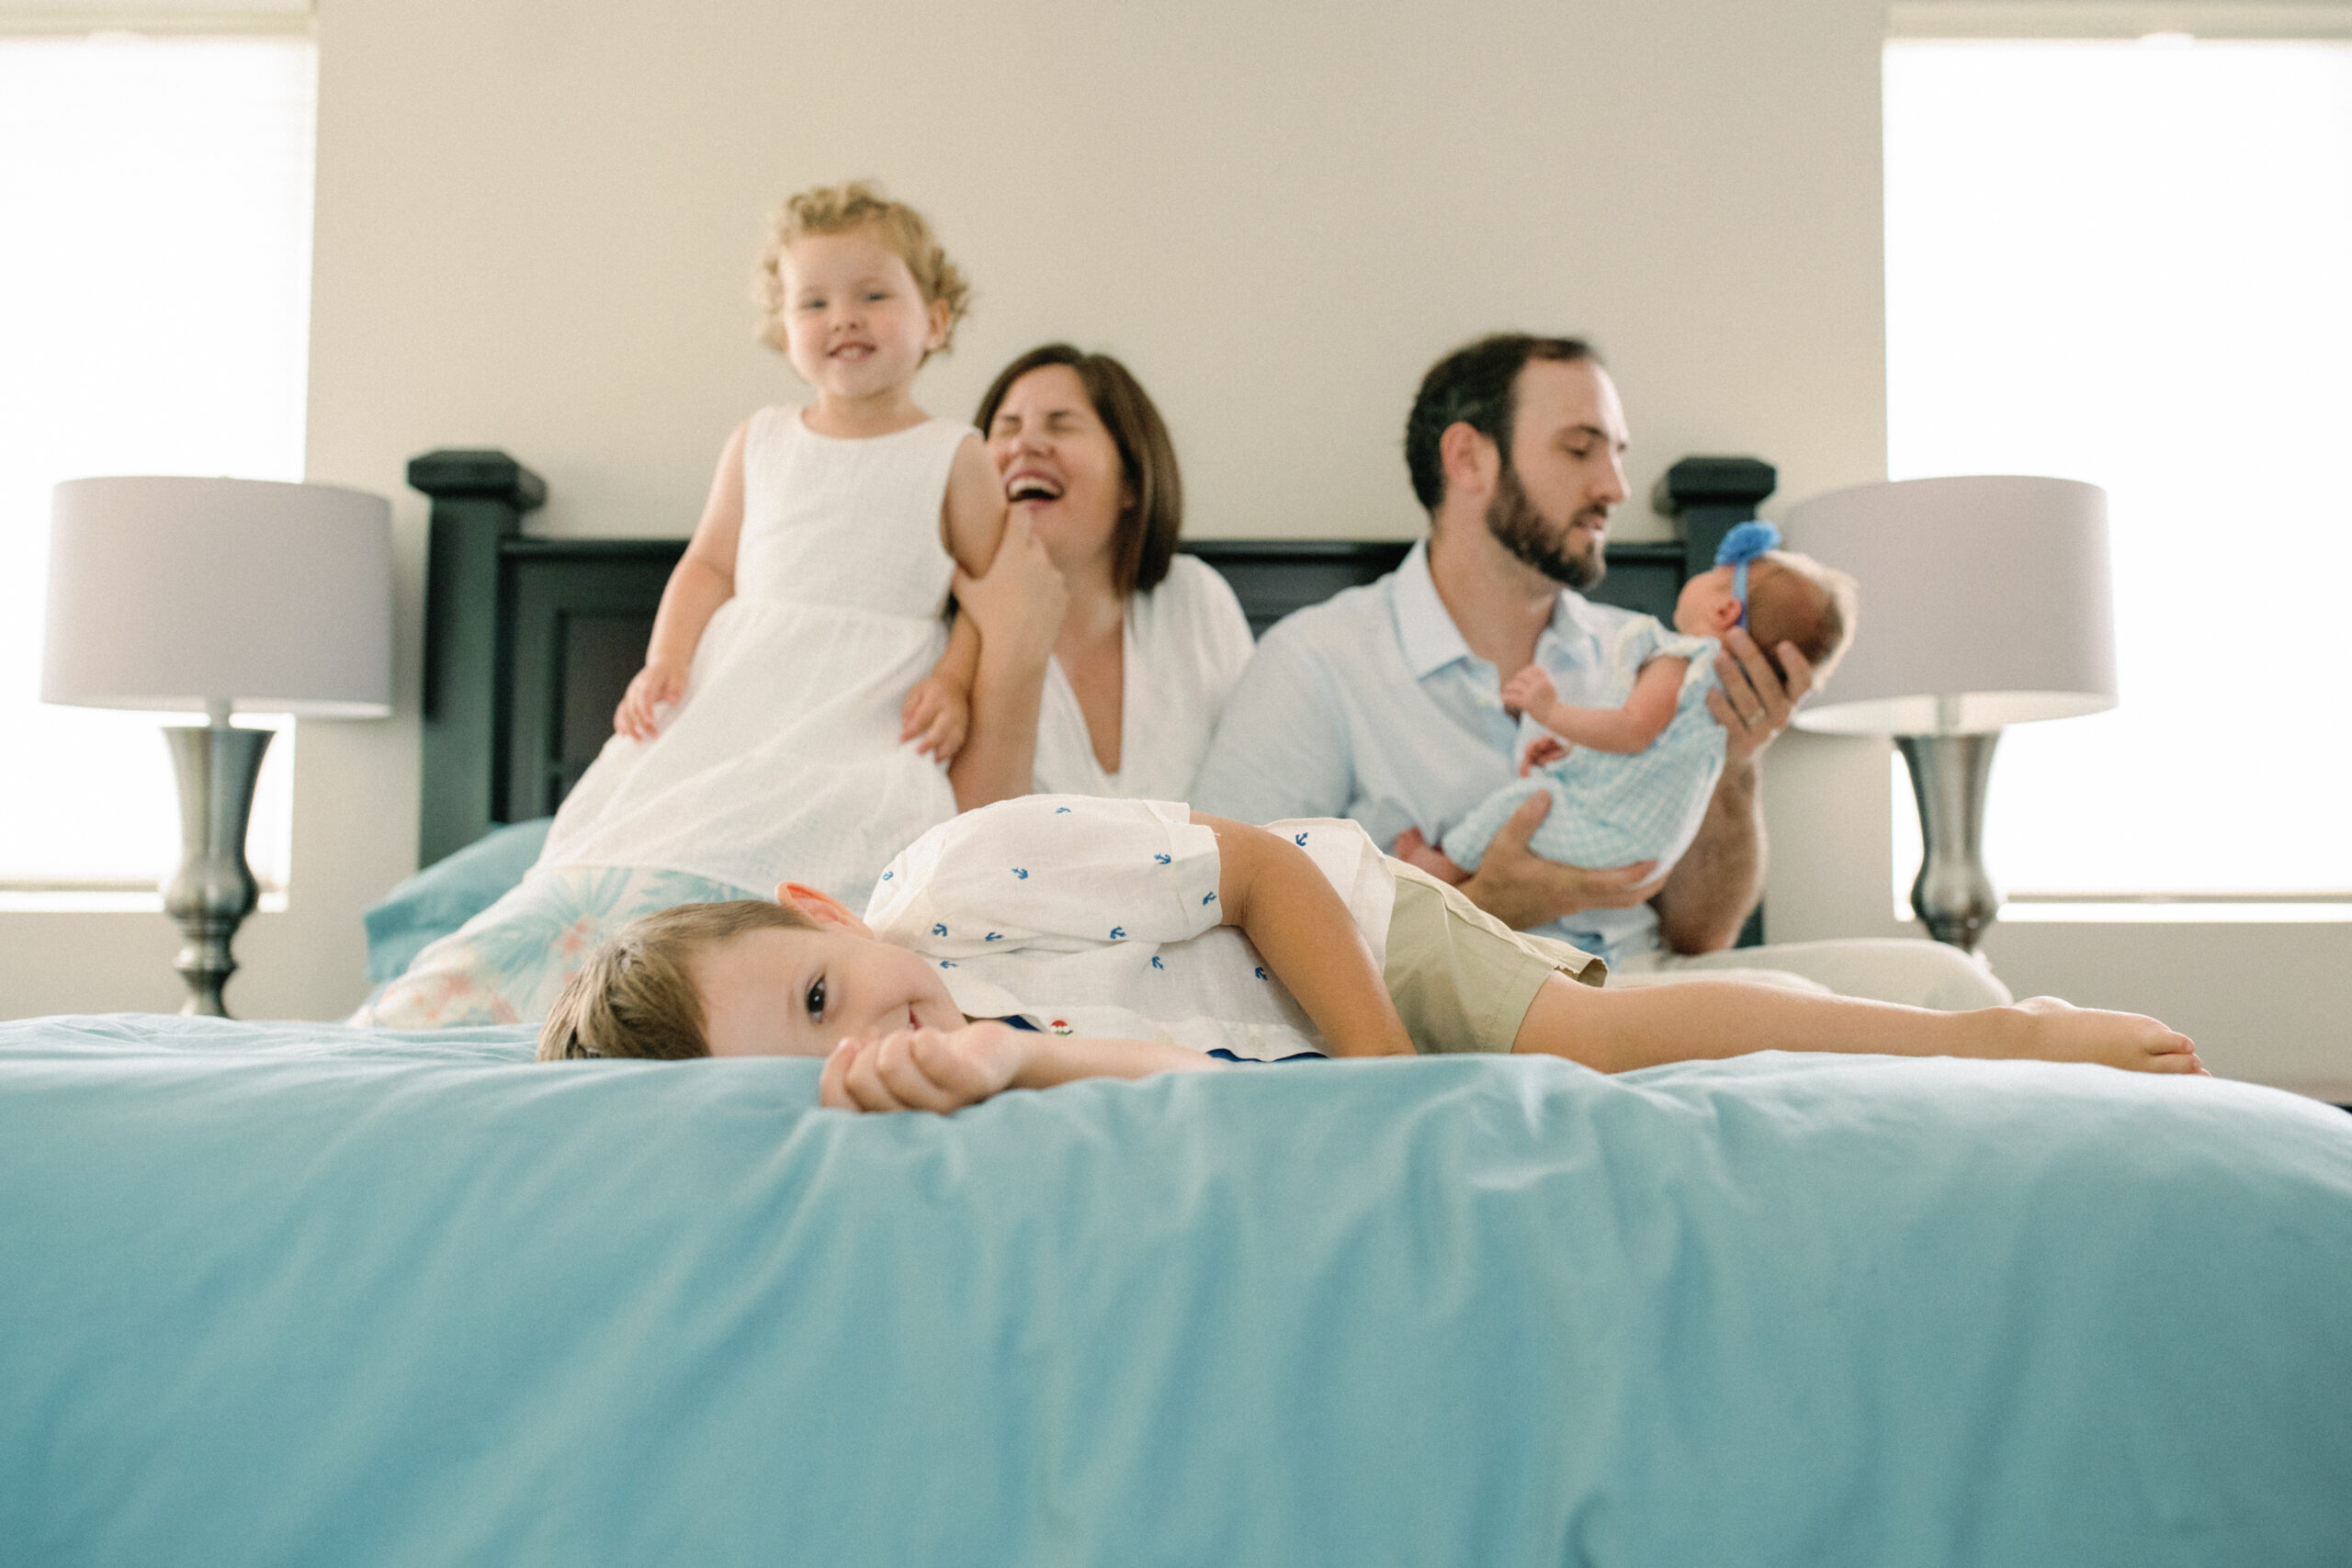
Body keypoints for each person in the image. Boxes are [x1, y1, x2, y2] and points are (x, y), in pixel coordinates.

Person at [1191, 333, 2007, 1009]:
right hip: (1458, 1006)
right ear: (1468, 459)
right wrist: (1483, 910)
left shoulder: (1646, 653)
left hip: (1647, 979)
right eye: (1580, 450)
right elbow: (1225, 927)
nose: (1615, 487)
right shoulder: (1316, 662)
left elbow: (1701, 934)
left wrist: (1734, 765)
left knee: (1952, 984)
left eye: (1616, 454)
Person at [536, 795, 2205, 1116]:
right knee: (1588, 1044)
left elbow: (1258, 869)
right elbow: (1172, 1073)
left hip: (1348, 932)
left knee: (1574, 1040)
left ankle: (1995, 1040)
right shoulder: (936, 1075)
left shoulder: (966, 873)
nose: (872, 1023)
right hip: (1285, 1041)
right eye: (820, 1049)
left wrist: (1396, 1085)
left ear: (823, 911)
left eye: (827, 989)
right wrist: (1011, 1058)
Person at [533, 180, 1026, 912]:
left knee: (842, 840)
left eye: (872, 296)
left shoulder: (955, 454)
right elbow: (706, 565)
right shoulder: (759, 440)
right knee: (658, 826)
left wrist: (954, 680)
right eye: (814, 302)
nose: (844, 319)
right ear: (783, 327)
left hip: (865, 713)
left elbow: (988, 600)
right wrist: (666, 657)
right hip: (740, 698)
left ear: (935, 319)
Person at [1427, 522, 1857, 880]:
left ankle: (1443, 869)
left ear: (1725, 610)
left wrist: (1552, 712)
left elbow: (1632, 732)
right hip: (1641, 843)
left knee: (1516, 803)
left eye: (1712, 575)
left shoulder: (1678, 661)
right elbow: (1644, 757)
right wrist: (1572, 752)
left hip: (1612, 832)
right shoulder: (1712, 700)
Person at [943, 344, 1256, 807]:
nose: (1024, 444)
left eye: (1060, 424)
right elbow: (974, 841)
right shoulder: (941, 622)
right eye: (1006, 427)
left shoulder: (1196, 599)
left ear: (1130, 481)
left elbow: (1261, 798)